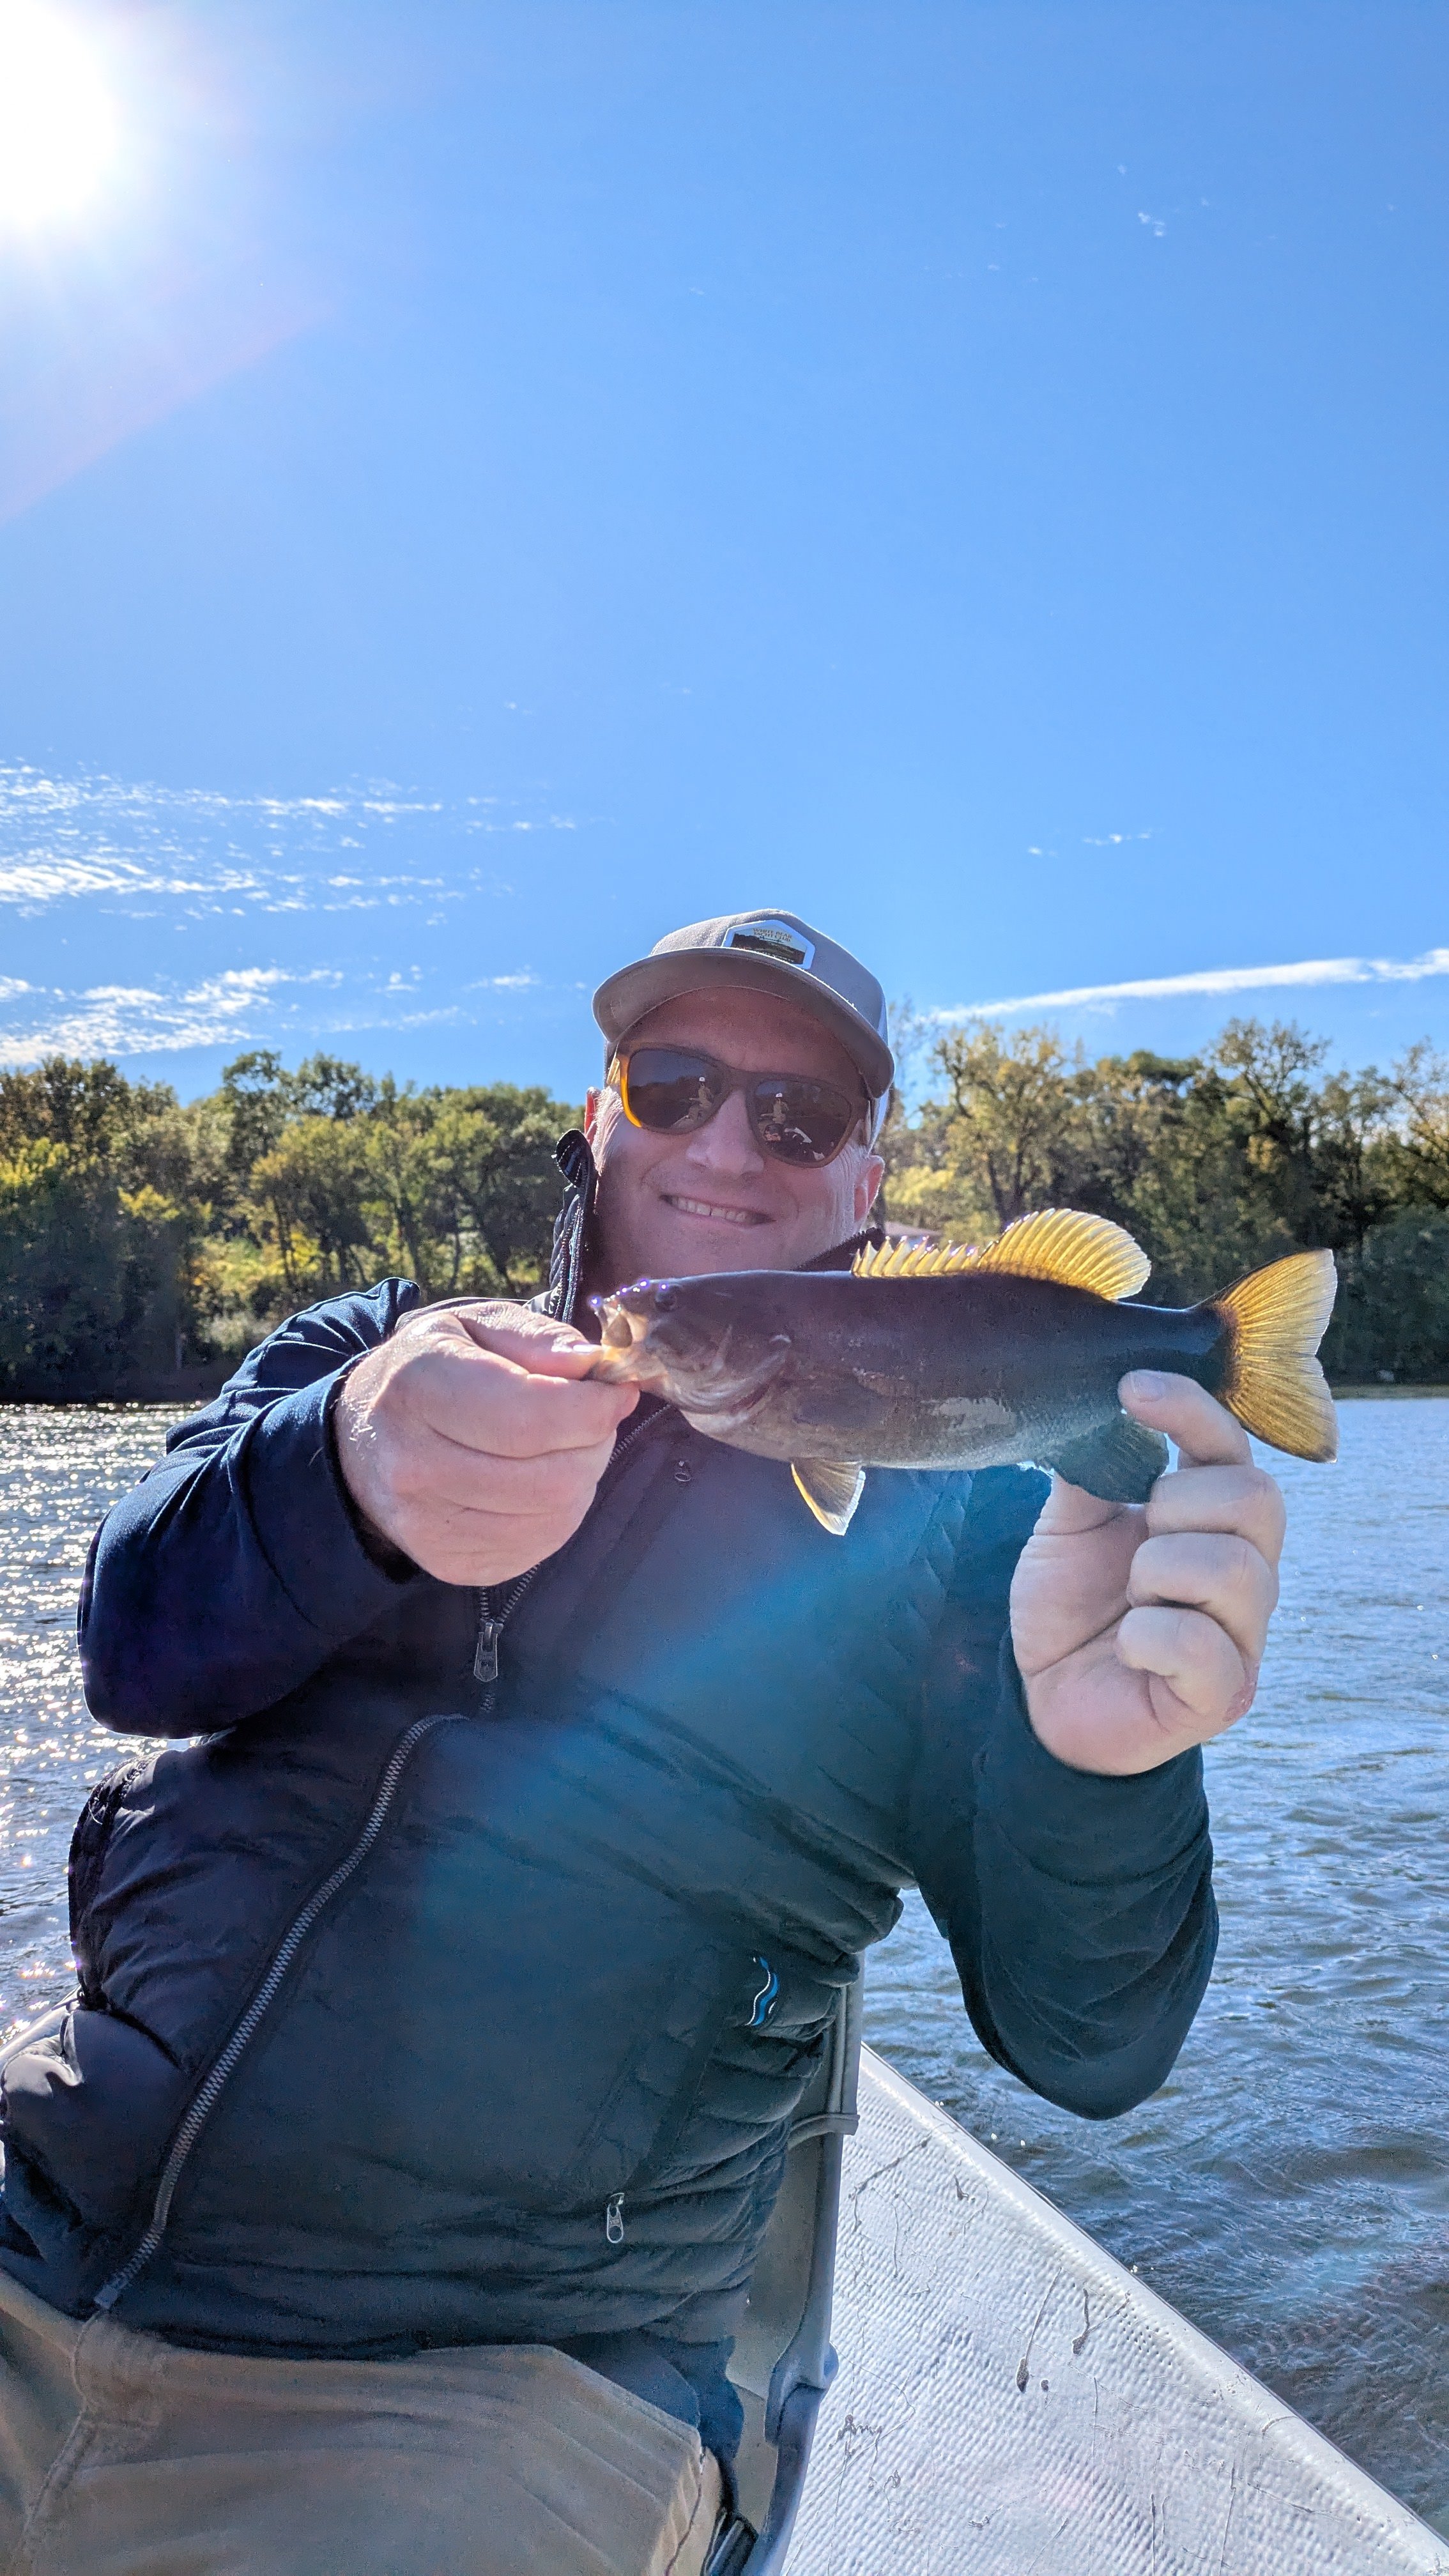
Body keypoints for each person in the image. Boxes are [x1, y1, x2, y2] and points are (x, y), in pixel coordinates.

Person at [0, 910, 1285, 2576]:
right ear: (598, 1115)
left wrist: (1111, 1768)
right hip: (42, 2209)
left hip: (502, 2391)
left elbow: (1092, 2046)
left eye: (799, 1116)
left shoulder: (972, 1532)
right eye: (670, 1084)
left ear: (865, 1181)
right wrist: (341, 1471)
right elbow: (131, 1647)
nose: (726, 1144)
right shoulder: (361, 1353)